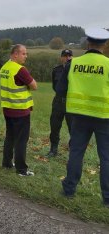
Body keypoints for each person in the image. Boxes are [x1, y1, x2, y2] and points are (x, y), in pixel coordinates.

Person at [56, 28, 109, 207]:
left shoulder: (73, 63)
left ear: (88, 43)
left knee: (76, 152)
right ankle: (107, 198)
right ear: (105, 45)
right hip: (104, 117)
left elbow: (60, 90)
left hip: (78, 116)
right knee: (106, 157)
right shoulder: (108, 64)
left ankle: (69, 189)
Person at [0, 44, 37, 176]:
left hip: (7, 109)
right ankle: (21, 170)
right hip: (20, 110)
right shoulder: (20, 70)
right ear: (15, 54)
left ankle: (7, 163)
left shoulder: (4, 68)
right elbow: (34, 86)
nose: (26, 56)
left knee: (10, 136)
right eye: (24, 53)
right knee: (21, 139)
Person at [46, 49, 73, 157]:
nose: (67, 58)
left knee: (73, 128)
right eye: (65, 56)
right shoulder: (56, 70)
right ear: (61, 57)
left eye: (69, 56)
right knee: (54, 126)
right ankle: (53, 150)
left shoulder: (75, 69)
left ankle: (73, 151)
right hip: (58, 102)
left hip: (71, 102)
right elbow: (55, 86)